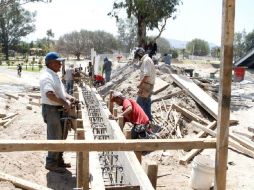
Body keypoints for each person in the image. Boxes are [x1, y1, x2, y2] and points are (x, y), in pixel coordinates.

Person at [40, 52, 76, 173]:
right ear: (50, 63)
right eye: (58, 62)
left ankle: (58, 160)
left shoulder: (54, 75)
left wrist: (69, 98)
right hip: (51, 110)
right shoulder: (46, 76)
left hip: (58, 109)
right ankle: (51, 163)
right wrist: (65, 103)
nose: (61, 64)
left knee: (62, 135)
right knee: (55, 136)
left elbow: (61, 93)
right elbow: (50, 94)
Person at [134, 47, 155, 122]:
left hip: (146, 85)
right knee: (146, 103)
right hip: (148, 85)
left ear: (139, 55)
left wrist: (140, 84)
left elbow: (147, 75)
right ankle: (148, 121)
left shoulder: (146, 60)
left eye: (137, 56)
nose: (137, 58)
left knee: (140, 104)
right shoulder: (147, 60)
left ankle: (142, 122)